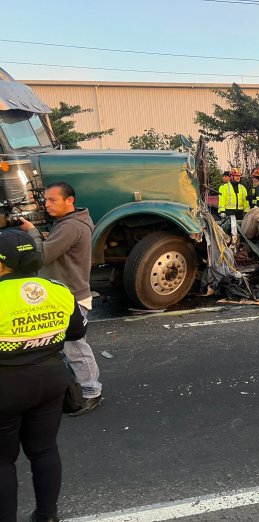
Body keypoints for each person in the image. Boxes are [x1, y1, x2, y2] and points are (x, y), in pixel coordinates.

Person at [0, 229, 87, 522]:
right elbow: (77, 331)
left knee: (2, 462)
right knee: (44, 450)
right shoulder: (56, 288)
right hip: (50, 379)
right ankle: (47, 516)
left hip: (6, 384)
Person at [20, 181, 103, 417]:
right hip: (64, 294)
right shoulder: (69, 222)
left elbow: (43, 255)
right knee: (63, 348)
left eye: (52, 200)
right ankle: (74, 389)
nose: (47, 205)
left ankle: (91, 391)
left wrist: (33, 233)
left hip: (70, 297)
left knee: (74, 346)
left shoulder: (69, 227)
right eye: (45, 200)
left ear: (70, 201)